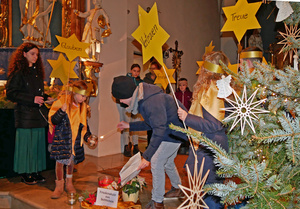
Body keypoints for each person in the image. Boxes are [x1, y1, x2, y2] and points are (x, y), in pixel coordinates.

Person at [112, 76, 187, 209]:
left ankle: (157, 202)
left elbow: (159, 128)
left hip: (174, 132)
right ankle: (177, 188)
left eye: (120, 99)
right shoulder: (144, 97)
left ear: (126, 94)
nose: (121, 102)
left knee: (157, 161)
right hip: (173, 131)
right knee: (167, 162)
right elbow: (152, 123)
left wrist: (147, 156)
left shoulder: (150, 101)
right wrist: (129, 125)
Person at [177, 51, 232, 208]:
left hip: (209, 148)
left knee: (211, 194)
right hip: (213, 146)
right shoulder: (222, 86)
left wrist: (187, 117)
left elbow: (214, 125)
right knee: (213, 192)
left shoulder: (212, 89)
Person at [6, 42, 52, 185]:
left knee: (37, 145)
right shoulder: (18, 72)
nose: (35, 57)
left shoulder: (37, 74)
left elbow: (36, 93)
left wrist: (46, 98)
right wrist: (32, 99)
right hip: (25, 115)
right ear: (24, 54)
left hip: (38, 115)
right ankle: (25, 173)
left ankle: (36, 171)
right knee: (26, 145)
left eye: (37, 55)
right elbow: (11, 93)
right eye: (32, 54)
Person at [48, 80, 95, 199]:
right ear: (75, 93)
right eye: (82, 96)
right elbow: (53, 120)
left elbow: (84, 126)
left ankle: (69, 184)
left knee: (70, 163)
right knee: (60, 162)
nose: (84, 99)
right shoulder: (62, 102)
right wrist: (61, 111)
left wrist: (88, 136)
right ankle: (59, 185)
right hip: (63, 139)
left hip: (75, 141)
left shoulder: (82, 107)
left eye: (85, 97)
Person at [117, 64, 143, 157]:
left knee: (135, 125)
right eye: (134, 70)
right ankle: (126, 146)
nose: (136, 73)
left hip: (137, 107)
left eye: (137, 71)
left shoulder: (141, 82)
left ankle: (135, 146)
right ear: (131, 70)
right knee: (126, 125)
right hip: (126, 106)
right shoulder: (125, 80)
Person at [175, 77, 192, 155]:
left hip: (187, 116)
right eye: (180, 85)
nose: (182, 87)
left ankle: (187, 146)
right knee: (179, 131)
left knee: (187, 132)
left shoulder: (190, 94)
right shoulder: (176, 94)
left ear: (187, 85)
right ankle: (180, 147)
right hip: (178, 116)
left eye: (184, 85)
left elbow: (192, 105)